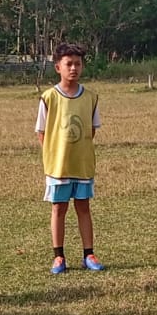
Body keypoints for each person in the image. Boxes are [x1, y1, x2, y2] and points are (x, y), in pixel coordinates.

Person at [36, 43, 104, 275]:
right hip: (58, 166)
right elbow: (42, 132)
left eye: (78, 64)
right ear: (58, 67)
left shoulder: (91, 97)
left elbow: (92, 129)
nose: (74, 68)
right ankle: (58, 256)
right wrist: (54, 155)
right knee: (59, 209)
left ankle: (89, 254)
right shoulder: (48, 98)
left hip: (82, 164)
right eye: (69, 64)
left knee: (83, 208)